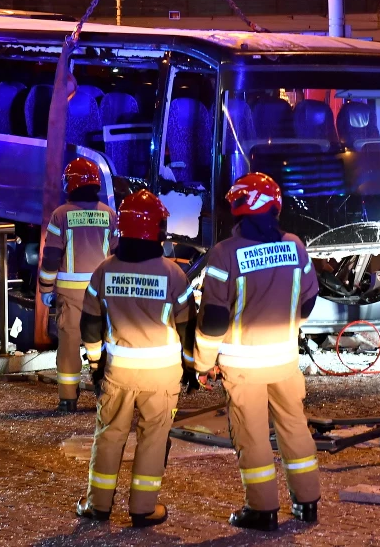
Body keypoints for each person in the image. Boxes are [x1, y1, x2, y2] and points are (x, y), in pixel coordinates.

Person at [192, 173, 320, 532]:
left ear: (238, 207)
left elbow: (214, 318)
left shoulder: (224, 254)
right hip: (284, 361)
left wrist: (202, 362)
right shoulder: (294, 245)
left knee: (253, 437)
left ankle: (262, 510)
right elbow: (309, 299)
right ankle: (307, 503)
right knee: (294, 428)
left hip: (243, 366)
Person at [75, 190, 191, 528]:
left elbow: (90, 325)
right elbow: (187, 326)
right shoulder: (174, 275)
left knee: (110, 434)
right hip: (162, 375)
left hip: (119, 372)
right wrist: (190, 368)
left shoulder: (104, 272)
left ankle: (98, 505)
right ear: (157, 229)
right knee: (154, 439)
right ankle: (143, 508)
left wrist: (96, 365)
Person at [38, 158, 118, 411]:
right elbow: (118, 255)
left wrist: (45, 288)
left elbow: (51, 255)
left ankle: (68, 399)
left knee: (69, 344)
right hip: (101, 293)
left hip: (70, 294)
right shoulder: (109, 214)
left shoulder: (61, 215)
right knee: (103, 343)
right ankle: (103, 391)